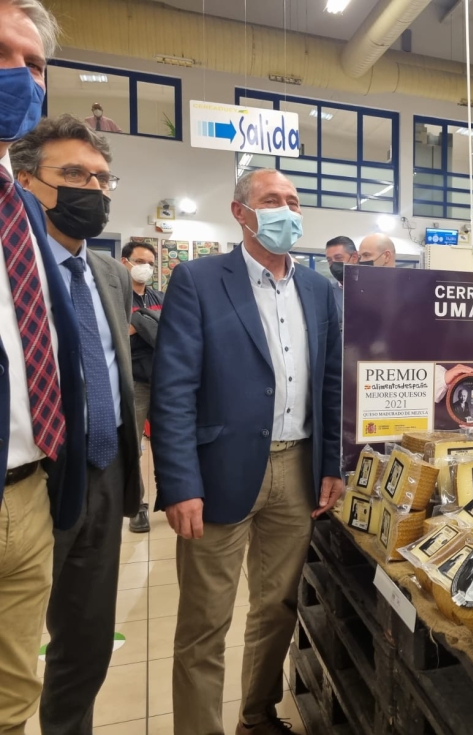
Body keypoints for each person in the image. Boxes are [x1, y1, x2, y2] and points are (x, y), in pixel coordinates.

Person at [151, 168, 343, 735]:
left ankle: (256, 718)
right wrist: (180, 482)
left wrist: (330, 463)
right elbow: (174, 388)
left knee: (277, 607)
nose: (286, 210)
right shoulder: (200, 279)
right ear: (242, 212)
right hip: (217, 474)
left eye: (293, 201)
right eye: (271, 200)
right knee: (205, 623)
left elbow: (330, 384)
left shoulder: (319, 289)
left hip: (297, 468)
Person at [13, 113, 141, 734]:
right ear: (26, 181)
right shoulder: (17, 269)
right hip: (34, 475)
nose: (91, 189)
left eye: (101, 178)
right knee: (13, 647)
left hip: (103, 469)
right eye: (72, 174)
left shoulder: (110, 274)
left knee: (86, 638)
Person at [0, 2, 86, 730]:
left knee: (11, 695)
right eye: (0, 53)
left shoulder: (18, 207)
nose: (19, 77)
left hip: (28, 495)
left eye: (32, 64)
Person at [122, 238, 163, 533]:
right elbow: (112, 334)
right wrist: (139, 324)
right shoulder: (115, 297)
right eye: (139, 261)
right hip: (133, 383)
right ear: (125, 262)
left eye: (150, 263)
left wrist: (139, 324)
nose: (145, 268)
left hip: (162, 381)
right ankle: (137, 505)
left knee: (169, 443)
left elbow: (170, 331)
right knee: (132, 447)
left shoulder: (158, 296)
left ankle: (174, 495)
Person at [325, 234, 356, 322]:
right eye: (329, 260)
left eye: (338, 258)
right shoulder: (327, 292)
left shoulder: (373, 289)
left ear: (354, 257)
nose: (333, 263)